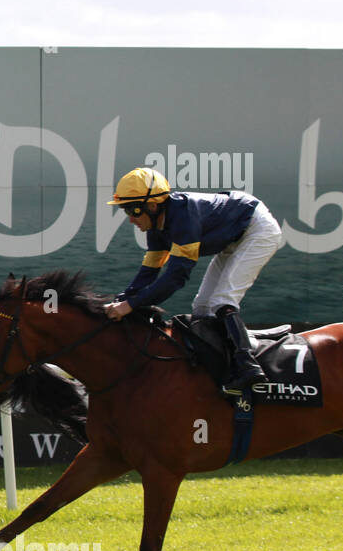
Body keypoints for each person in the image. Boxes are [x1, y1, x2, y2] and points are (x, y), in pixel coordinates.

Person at [103, 167, 283, 395]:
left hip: (257, 229)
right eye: (124, 209)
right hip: (232, 237)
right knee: (202, 308)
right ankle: (219, 367)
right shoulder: (156, 226)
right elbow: (148, 273)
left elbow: (175, 278)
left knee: (222, 300)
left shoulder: (183, 217)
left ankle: (248, 368)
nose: (130, 219)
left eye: (132, 209)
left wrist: (129, 306)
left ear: (152, 205)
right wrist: (122, 299)